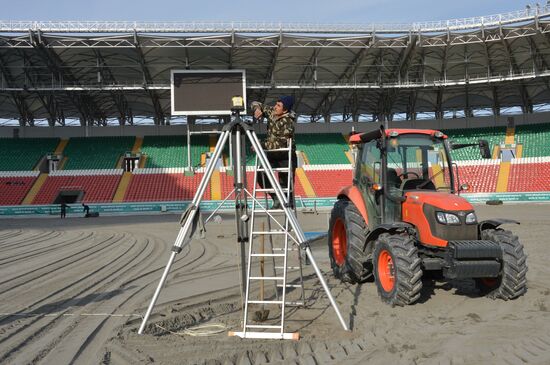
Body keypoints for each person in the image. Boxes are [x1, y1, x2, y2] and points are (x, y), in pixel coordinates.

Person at [251, 96, 297, 209]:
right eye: (276, 104)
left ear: (285, 110)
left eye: (279, 106)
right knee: (261, 175)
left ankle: (289, 220)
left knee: (286, 186)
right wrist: (257, 109)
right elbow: (255, 102)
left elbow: (280, 144)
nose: (275, 107)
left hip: (285, 156)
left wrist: (260, 145)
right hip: (272, 155)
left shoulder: (288, 122)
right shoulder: (272, 111)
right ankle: (276, 197)